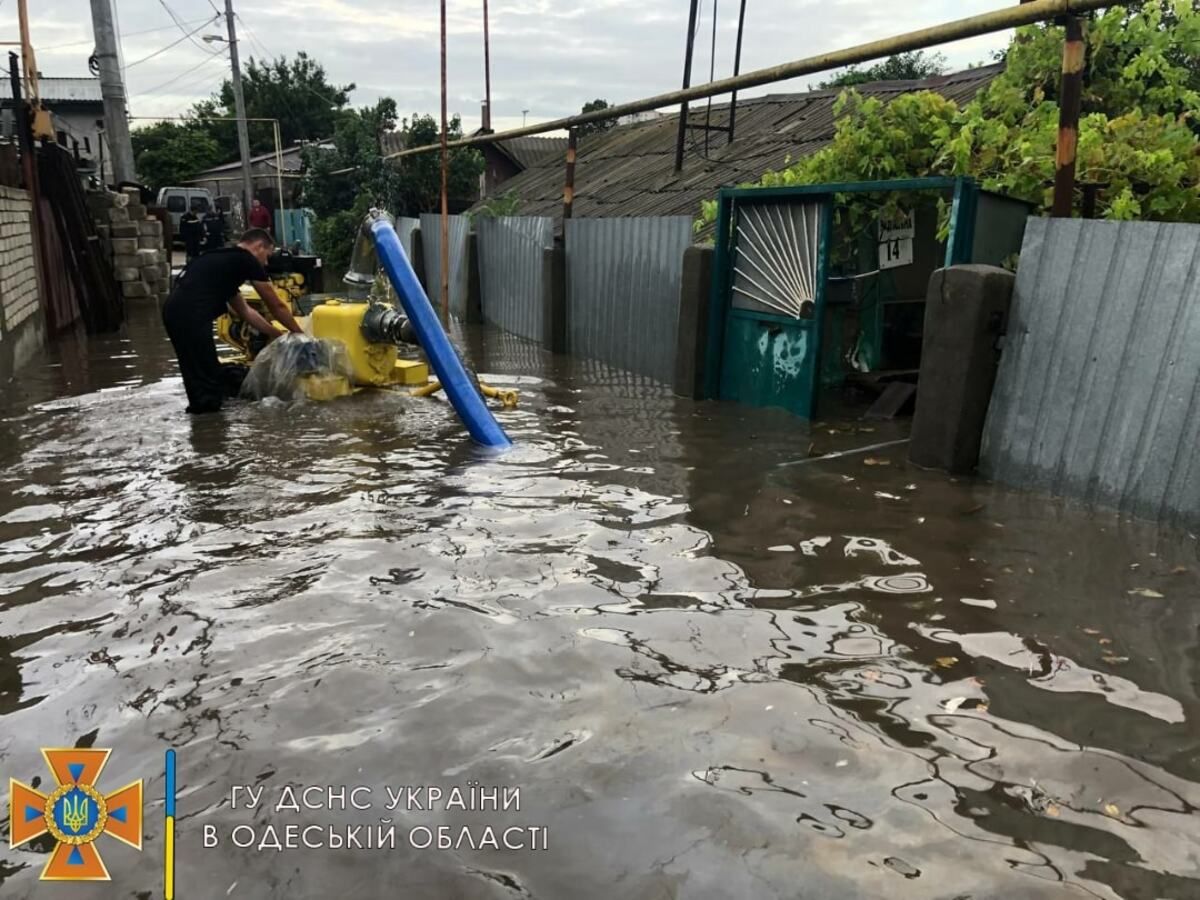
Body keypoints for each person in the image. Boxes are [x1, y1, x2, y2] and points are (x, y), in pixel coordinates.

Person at [161, 228, 303, 414]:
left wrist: (277, 335)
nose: (265, 262)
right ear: (259, 246)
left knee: (199, 373)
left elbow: (246, 312)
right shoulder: (246, 259)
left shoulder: (223, 261)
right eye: (266, 256)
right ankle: (209, 429)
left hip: (173, 312)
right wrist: (300, 335)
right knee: (206, 383)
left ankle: (204, 424)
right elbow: (276, 305)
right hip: (190, 316)